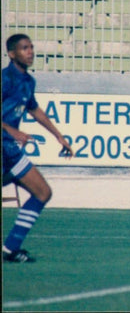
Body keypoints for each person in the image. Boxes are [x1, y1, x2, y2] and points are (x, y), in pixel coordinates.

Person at [2, 34, 74, 263]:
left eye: (31, 47)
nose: (30, 51)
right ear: (12, 54)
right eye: (24, 48)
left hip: (10, 152)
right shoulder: (5, 79)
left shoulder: (28, 81)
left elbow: (34, 110)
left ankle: (11, 248)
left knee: (43, 192)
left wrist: (59, 137)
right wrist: (13, 131)